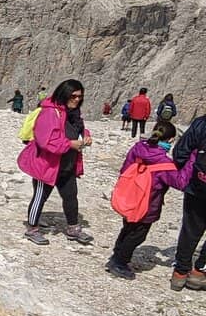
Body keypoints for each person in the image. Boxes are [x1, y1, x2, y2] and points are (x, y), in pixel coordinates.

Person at [106, 121, 195, 280]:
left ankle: (116, 255)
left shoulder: (138, 148)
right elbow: (181, 182)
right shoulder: (164, 164)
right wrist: (192, 159)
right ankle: (119, 262)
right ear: (170, 140)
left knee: (128, 228)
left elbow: (125, 168)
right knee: (138, 235)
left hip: (130, 198)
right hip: (147, 204)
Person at [18, 78, 93, 246]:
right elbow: (45, 141)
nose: (77, 99)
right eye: (73, 96)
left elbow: (78, 128)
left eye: (80, 96)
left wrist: (86, 136)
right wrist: (69, 144)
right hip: (47, 165)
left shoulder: (73, 112)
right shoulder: (50, 112)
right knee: (40, 197)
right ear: (64, 94)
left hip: (67, 164)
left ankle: (73, 228)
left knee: (71, 196)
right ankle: (32, 229)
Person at [170, 110, 206, 291]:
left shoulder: (201, 123)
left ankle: (180, 273)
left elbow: (179, 153)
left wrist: (187, 174)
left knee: (190, 229)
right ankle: (199, 272)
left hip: (197, 187)